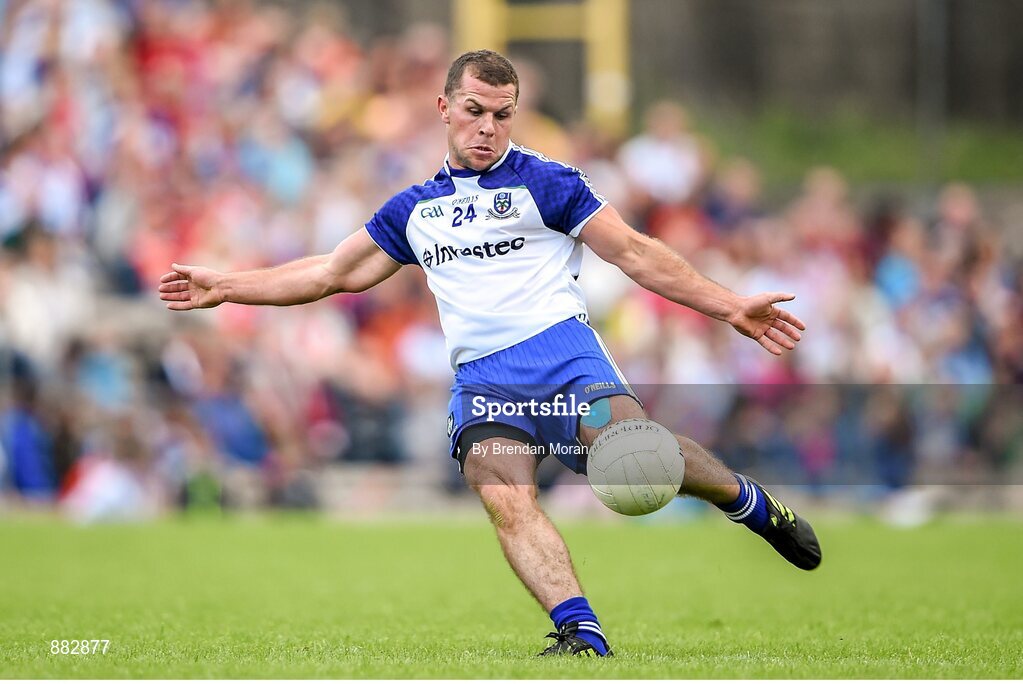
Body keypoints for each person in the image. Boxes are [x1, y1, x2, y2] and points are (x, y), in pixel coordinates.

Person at [159, 50, 820, 657]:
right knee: (503, 493)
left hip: (562, 355)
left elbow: (636, 254)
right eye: (474, 111)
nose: (488, 127)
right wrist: (227, 285)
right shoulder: (414, 209)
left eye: (502, 115)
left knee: (633, 460)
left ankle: (748, 503)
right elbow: (331, 272)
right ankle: (580, 633)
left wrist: (728, 304)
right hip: (482, 379)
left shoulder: (549, 183)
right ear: (444, 108)